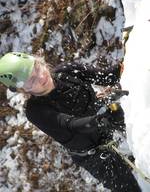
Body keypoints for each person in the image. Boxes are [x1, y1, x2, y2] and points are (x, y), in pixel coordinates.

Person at [0, 52, 141, 192]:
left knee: (143, 138)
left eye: (37, 68)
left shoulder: (68, 71)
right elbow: (70, 124)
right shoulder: (36, 111)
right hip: (95, 156)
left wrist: (131, 53)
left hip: (106, 122)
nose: (41, 77)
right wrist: (100, 120)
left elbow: (108, 77)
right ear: (22, 89)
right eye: (31, 80)